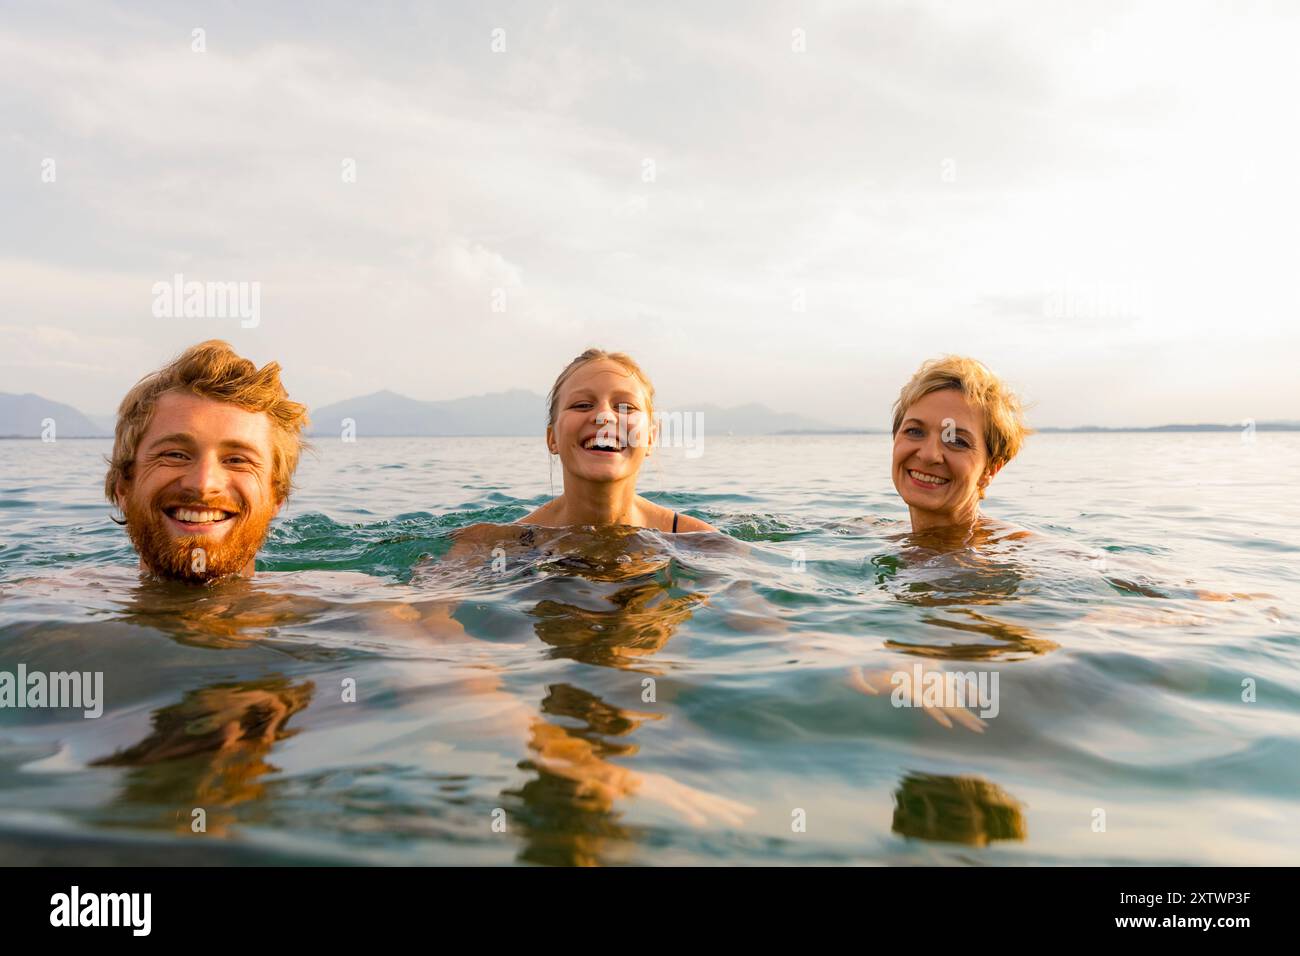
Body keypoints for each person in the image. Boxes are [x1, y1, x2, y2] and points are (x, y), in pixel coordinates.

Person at [105, 339, 309, 583]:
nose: (203, 485)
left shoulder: (350, 611)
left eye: (236, 460)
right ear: (123, 486)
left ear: (276, 495)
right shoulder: (54, 607)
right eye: (175, 455)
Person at [521, 348, 715, 532]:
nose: (604, 416)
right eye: (582, 405)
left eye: (626, 407)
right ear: (552, 438)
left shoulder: (701, 543)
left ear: (650, 438)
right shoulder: (506, 544)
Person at [889, 355, 1030, 537]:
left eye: (957, 441)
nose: (929, 455)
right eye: (915, 431)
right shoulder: (873, 532)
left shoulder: (1018, 553)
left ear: (990, 469)